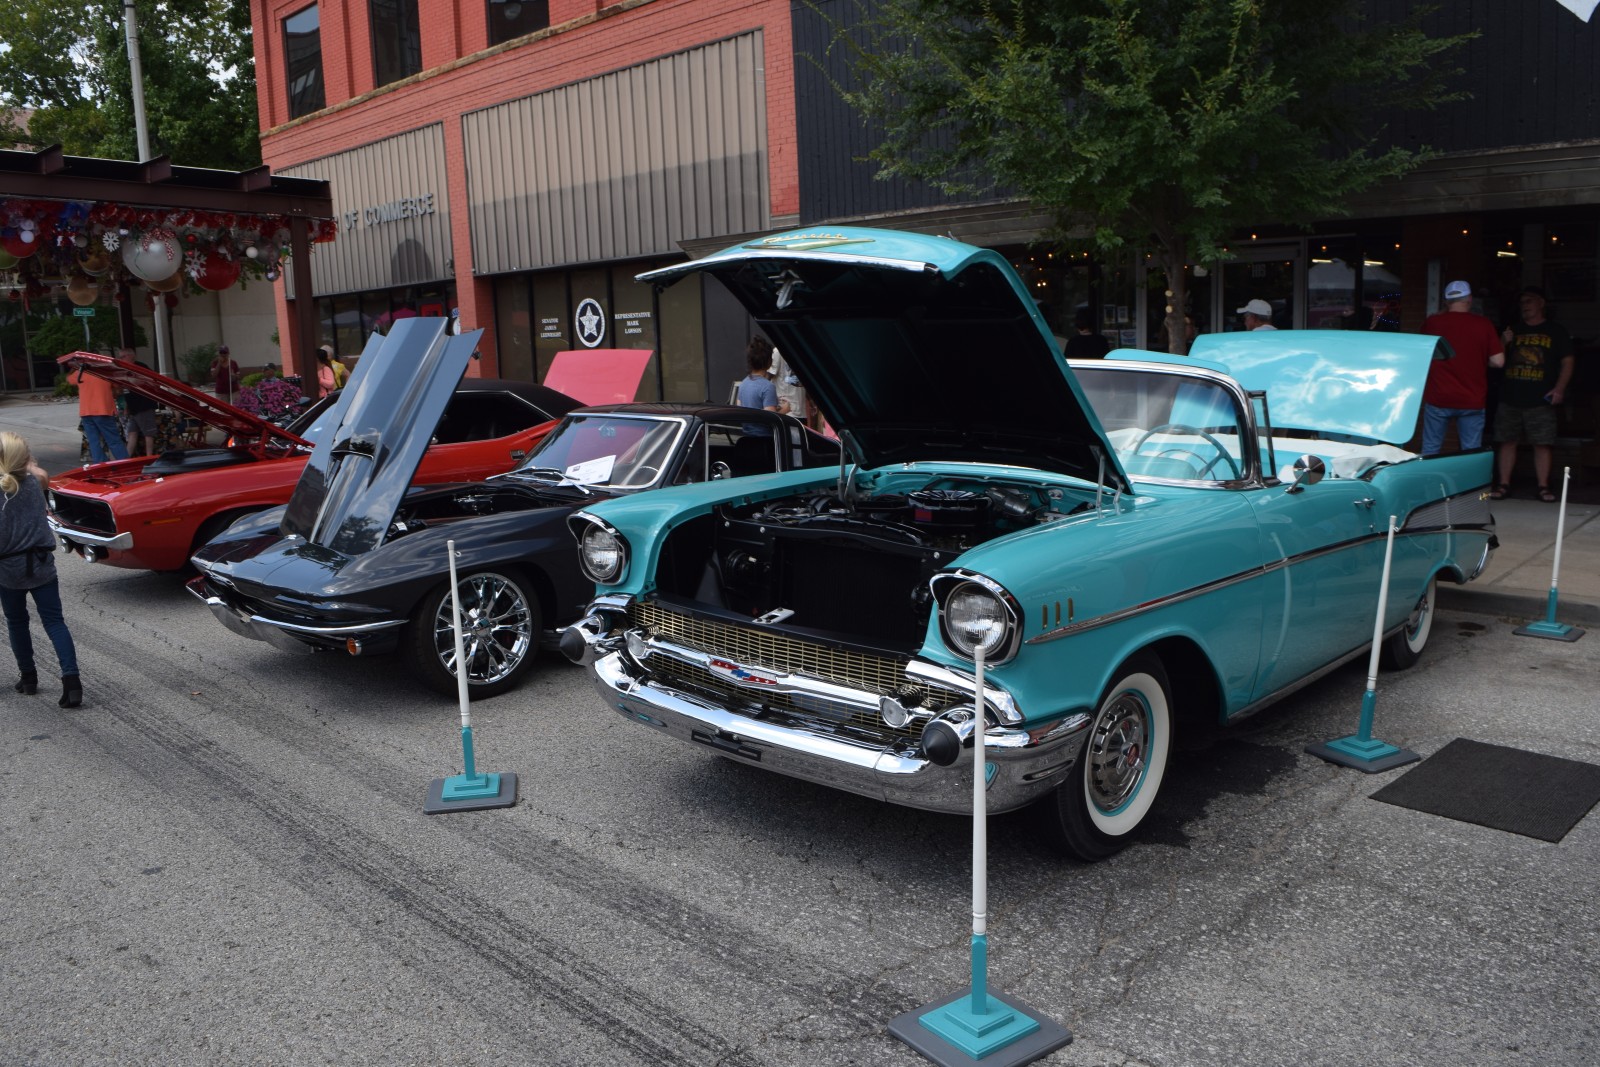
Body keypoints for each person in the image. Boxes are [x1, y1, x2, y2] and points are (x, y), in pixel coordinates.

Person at [0, 433, 81, 708]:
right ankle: (72, 681)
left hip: (8, 568)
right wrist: (29, 463)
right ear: (24, 459)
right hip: (41, 564)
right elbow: (40, 473)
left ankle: (28, 677)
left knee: (17, 621)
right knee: (54, 622)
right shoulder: (36, 482)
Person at [1493, 287, 1574, 502]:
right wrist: (1503, 341)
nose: (1525, 306)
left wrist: (1560, 388)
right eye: (1522, 302)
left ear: (1541, 303)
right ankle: (1503, 484)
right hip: (1510, 396)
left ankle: (1543, 487)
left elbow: (1568, 361)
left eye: (1529, 301)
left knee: (1542, 443)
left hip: (1541, 397)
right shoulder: (1512, 330)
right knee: (1506, 441)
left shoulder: (1555, 331)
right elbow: (1495, 361)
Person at [1419, 280, 1505, 456]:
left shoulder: (1433, 323)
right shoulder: (1483, 324)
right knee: (1470, 452)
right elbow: (1498, 362)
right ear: (1469, 299)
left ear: (1446, 301)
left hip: (1439, 397)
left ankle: (1428, 475)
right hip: (1471, 399)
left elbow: (1421, 353)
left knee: (1430, 449)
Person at [74, 359, 128, 464]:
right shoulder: (105, 373)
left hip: (86, 412)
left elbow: (70, 379)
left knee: (94, 442)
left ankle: (100, 464)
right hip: (103, 410)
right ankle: (125, 463)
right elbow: (118, 387)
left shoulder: (80, 373)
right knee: (113, 440)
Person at [735, 336, 787, 435]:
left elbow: (741, 409)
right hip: (764, 438)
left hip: (746, 435)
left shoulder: (743, 384)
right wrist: (785, 409)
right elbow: (770, 418)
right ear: (769, 362)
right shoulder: (768, 387)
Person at [123, 358, 160, 457]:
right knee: (132, 433)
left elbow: (153, 380)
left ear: (130, 356)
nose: (121, 359)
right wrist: (127, 407)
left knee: (148, 433)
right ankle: (127, 458)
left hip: (143, 406)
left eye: (123, 357)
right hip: (134, 409)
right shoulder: (125, 370)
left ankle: (149, 457)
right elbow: (127, 392)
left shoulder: (140, 367)